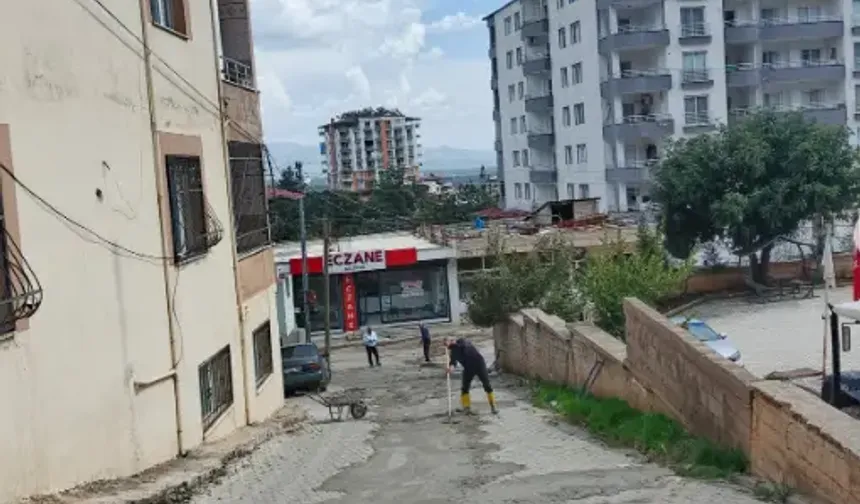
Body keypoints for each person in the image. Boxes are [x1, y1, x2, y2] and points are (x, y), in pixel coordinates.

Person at [445, 337, 498, 415]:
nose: (447, 345)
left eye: (447, 342)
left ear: (453, 340)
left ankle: (493, 406)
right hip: (468, 368)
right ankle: (466, 408)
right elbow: (453, 362)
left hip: (479, 364)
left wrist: (453, 343)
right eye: (445, 344)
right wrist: (450, 368)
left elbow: (464, 345)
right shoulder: (453, 352)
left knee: (487, 385)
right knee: (465, 387)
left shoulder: (462, 341)